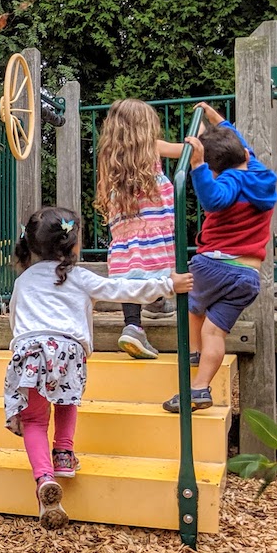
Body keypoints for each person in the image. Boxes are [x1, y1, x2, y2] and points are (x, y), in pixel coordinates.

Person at [7, 206, 193, 529]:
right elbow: (123, 289)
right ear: (72, 245)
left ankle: (44, 480)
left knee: (35, 420)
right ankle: (64, 453)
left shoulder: (23, 281)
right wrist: (167, 284)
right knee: (67, 399)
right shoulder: (78, 277)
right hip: (68, 351)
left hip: (30, 350)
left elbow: (15, 320)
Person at [161, 102, 277, 413]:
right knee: (215, 330)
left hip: (215, 265)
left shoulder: (227, 182)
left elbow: (213, 200)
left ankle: (192, 353)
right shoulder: (260, 174)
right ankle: (199, 388)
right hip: (248, 276)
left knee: (190, 304)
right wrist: (216, 119)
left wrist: (198, 166)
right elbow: (242, 145)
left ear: (216, 168)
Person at [96, 99, 187, 360]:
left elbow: (105, 190)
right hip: (155, 229)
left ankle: (134, 324)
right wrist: (200, 136)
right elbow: (186, 151)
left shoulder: (109, 157)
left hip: (125, 233)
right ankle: (157, 303)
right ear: (145, 127)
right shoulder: (154, 149)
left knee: (131, 274)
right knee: (157, 266)